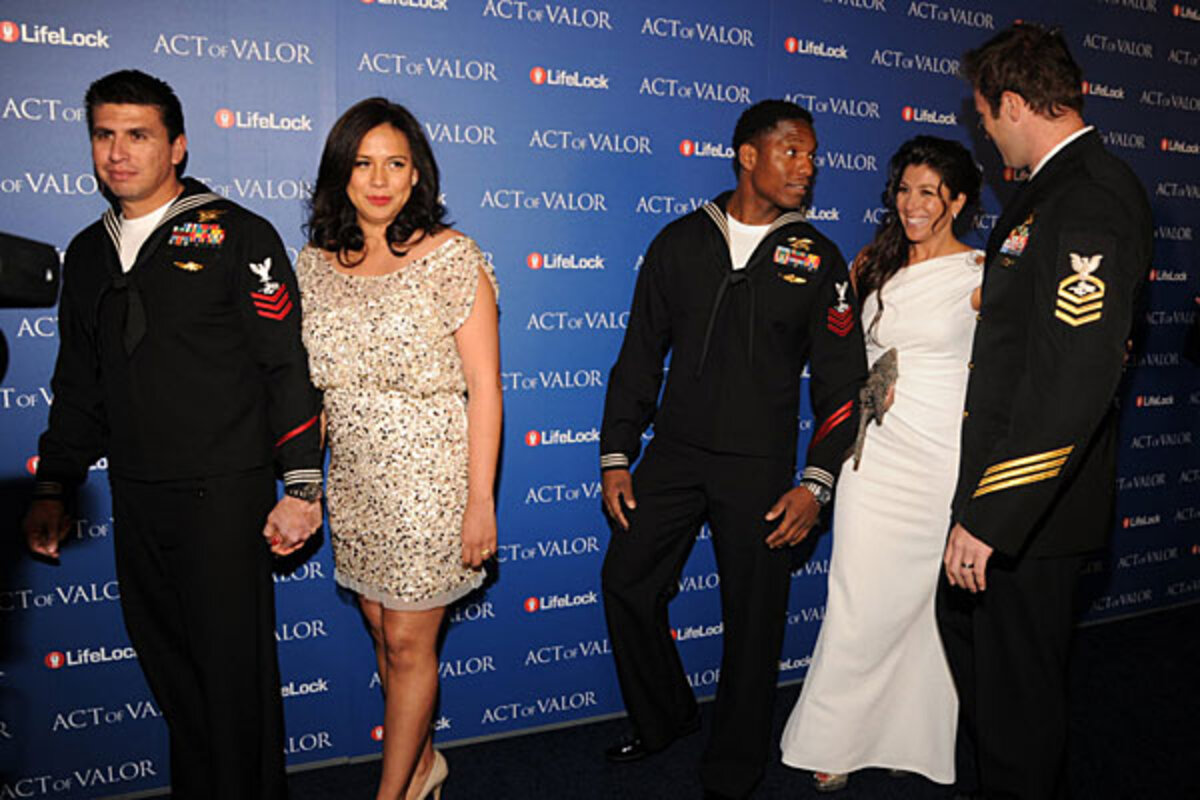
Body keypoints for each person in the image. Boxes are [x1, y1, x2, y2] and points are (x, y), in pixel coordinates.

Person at [22, 70, 324, 799]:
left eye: (138, 135)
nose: (117, 152)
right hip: (136, 493)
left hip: (224, 494)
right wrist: (55, 484)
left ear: (177, 146)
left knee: (232, 682)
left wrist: (302, 486)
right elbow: (79, 384)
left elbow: (285, 366)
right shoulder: (86, 252)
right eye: (104, 134)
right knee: (172, 675)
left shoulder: (236, 234)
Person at [599, 99, 867, 800]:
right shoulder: (679, 241)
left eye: (812, 156)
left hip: (759, 466)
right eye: (791, 152)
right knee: (626, 581)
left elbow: (842, 384)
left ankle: (733, 767)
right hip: (675, 454)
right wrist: (617, 453)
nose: (806, 168)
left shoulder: (819, 258)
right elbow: (639, 354)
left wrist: (817, 482)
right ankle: (665, 717)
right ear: (748, 156)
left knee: (754, 619)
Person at [938, 24, 1152, 799]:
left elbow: (1072, 380)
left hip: (1034, 508)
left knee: (1018, 705)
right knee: (984, 664)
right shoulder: (1055, 188)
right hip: (1015, 493)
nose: (986, 132)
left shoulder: (1087, 195)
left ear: (1014, 103)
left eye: (984, 116)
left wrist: (994, 515)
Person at [295, 97, 501, 800]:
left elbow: (485, 389)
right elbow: (313, 394)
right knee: (384, 632)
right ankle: (421, 765)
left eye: (395, 163)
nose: (379, 180)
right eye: (363, 163)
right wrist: (305, 487)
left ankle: (393, 795)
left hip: (430, 480)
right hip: (354, 480)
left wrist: (480, 501)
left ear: (418, 175)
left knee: (411, 643)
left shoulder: (453, 258)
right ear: (341, 173)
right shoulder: (314, 266)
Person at [780, 136, 983, 792]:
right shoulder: (873, 264)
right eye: (904, 190)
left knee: (921, 605)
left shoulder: (981, 275)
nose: (912, 204)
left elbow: (1012, 361)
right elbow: (842, 353)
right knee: (858, 597)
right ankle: (836, 737)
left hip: (937, 455)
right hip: (874, 453)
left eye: (929, 192)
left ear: (958, 200)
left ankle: (909, 736)